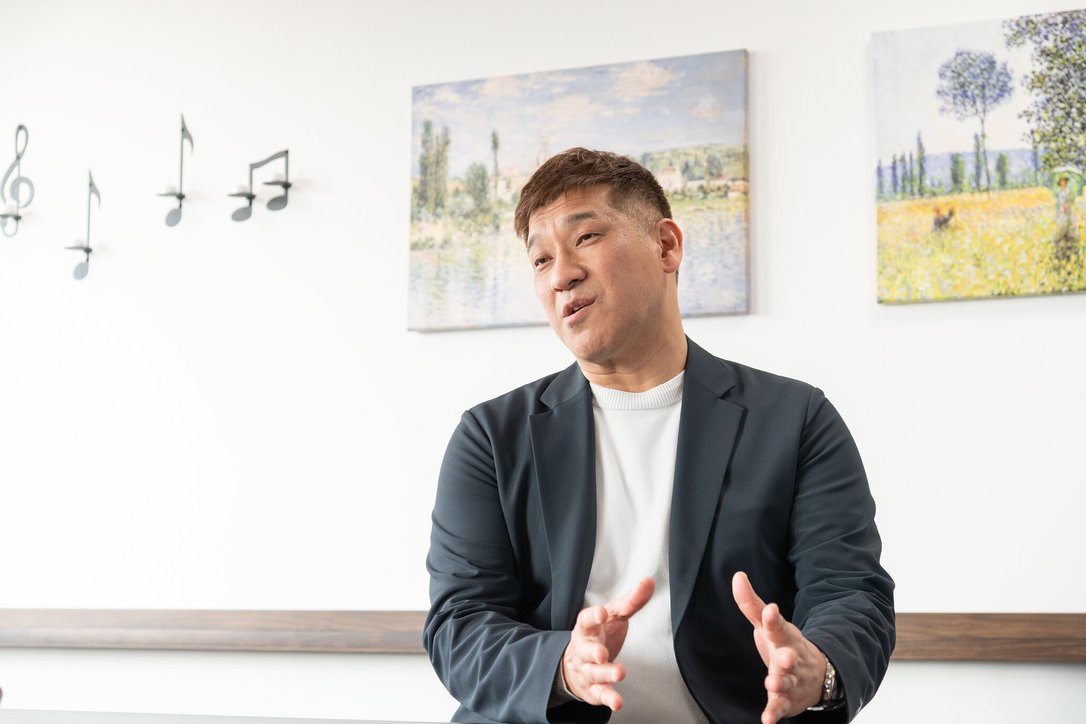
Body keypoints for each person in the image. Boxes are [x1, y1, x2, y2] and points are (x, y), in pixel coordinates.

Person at [425, 148, 894, 723]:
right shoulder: (490, 438)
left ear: (666, 246)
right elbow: (460, 624)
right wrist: (563, 667)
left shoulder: (796, 420)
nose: (562, 274)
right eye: (541, 259)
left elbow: (850, 591)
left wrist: (818, 668)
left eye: (586, 237)